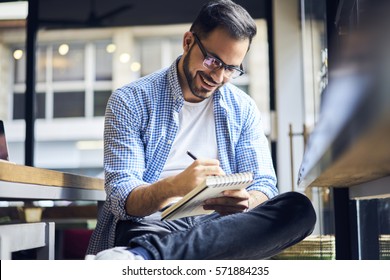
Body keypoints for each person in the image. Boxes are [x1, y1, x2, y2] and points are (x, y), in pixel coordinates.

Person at [86, 0, 316, 260]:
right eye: (213, 61)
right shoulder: (130, 100)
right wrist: (174, 186)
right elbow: (121, 198)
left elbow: (264, 184)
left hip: (217, 227)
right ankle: (152, 252)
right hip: (154, 225)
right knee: (169, 237)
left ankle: (144, 258)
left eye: (231, 68)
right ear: (187, 42)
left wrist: (247, 201)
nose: (218, 77)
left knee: (299, 209)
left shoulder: (243, 108)